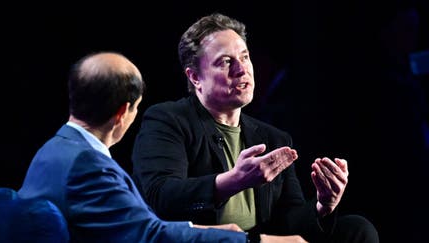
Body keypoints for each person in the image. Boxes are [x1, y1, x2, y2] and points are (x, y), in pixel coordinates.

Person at [131, 13, 379, 243]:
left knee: (357, 229)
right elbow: (161, 196)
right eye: (226, 62)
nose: (242, 69)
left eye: (245, 57)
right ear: (195, 77)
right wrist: (233, 181)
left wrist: (322, 204)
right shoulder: (168, 119)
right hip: (208, 239)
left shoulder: (273, 138)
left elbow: (288, 222)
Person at [17, 51, 249, 242]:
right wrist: (231, 239)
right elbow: (147, 237)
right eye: (136, 107)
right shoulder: (88, 166)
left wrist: (200, 229)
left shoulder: (52, 148)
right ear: (122, 113)